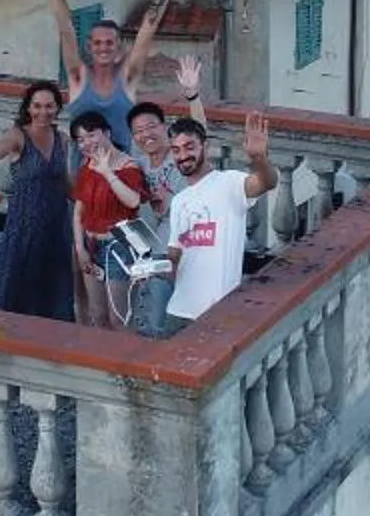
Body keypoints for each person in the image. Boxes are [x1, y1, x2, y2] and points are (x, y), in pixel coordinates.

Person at [161, 112, 280, 326]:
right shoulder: (179, 200)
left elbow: (267, 183)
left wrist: (258, 158)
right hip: (177, 311)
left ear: (205, 148)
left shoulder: (229, 183)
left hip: (217, 313)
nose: (182, 155)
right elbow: (175, 255)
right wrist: (150, 270)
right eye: (176, 150)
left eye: (189, 147)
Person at [0, 81, 73, 322]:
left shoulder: (63, 140)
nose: (43, 112)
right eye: (37, 106)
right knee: (17, 284)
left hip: (56, 224)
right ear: (28, 108)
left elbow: (66, 182)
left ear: (57, 108)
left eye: (49, 106)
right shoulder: (18, 136)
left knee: (53, 285)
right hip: (24, 224)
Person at [50, 0, 174, 151]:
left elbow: (147, 30)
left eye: (109, 42)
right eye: (98, 43)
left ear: (119, 46)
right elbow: (66, 30)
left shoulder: (127, 76)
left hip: (121, 172)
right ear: (89, 46)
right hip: (83, 172)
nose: (103, 48)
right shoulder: (78, 76)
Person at [68, 110, 145, 328]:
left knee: (119, 318)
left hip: (118, 247)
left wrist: (107, 173)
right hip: (91, 244)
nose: (86, 143)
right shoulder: (87, 167)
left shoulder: (128, 165)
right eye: (80, 139)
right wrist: (79, 247)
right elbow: (78, 211)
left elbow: (132, 201)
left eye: (91, 135)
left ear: (107, 133)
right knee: (97, 314)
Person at [126, 57, 210, 216]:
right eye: (138, 131)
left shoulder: (179, 154)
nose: (146, 134)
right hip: (148, 235)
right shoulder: (137, 162)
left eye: (151, 127)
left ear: (164, 127)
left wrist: (192, 95)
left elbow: (199, 131)